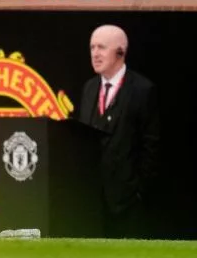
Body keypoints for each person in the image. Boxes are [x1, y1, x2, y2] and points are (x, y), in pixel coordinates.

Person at [73, 25, 160, 238]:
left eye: (101, 47)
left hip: (128, 202)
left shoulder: (142, 90)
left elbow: (152, 145)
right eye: (92, 47)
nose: (95, 54)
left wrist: (138, 190)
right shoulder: (89, 88)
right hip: (93, 202)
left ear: (120, 52)